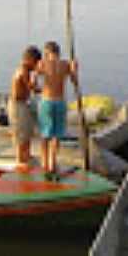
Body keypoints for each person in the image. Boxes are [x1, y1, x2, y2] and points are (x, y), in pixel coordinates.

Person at [35, 41, 78, 178]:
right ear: (58, 53)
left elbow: (33, 79)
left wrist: (37, 89)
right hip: (60, 102)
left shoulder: (42, 63)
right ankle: (52, 161)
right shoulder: (65, 64)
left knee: (45, 133)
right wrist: (74, 69)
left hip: (46, 101)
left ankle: (44, 161)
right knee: (56, 134)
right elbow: (74, 81)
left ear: (47, 53)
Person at [8, 46, 41, 173]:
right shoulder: (23, 71)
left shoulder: (24, 70)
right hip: (17, 105)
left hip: (22, 104)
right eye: (36, 63)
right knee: (21, 134)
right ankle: (21, 160)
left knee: (27, 132)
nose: (36, 66)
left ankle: (26, 157)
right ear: (30, 60)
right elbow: (32, 87)